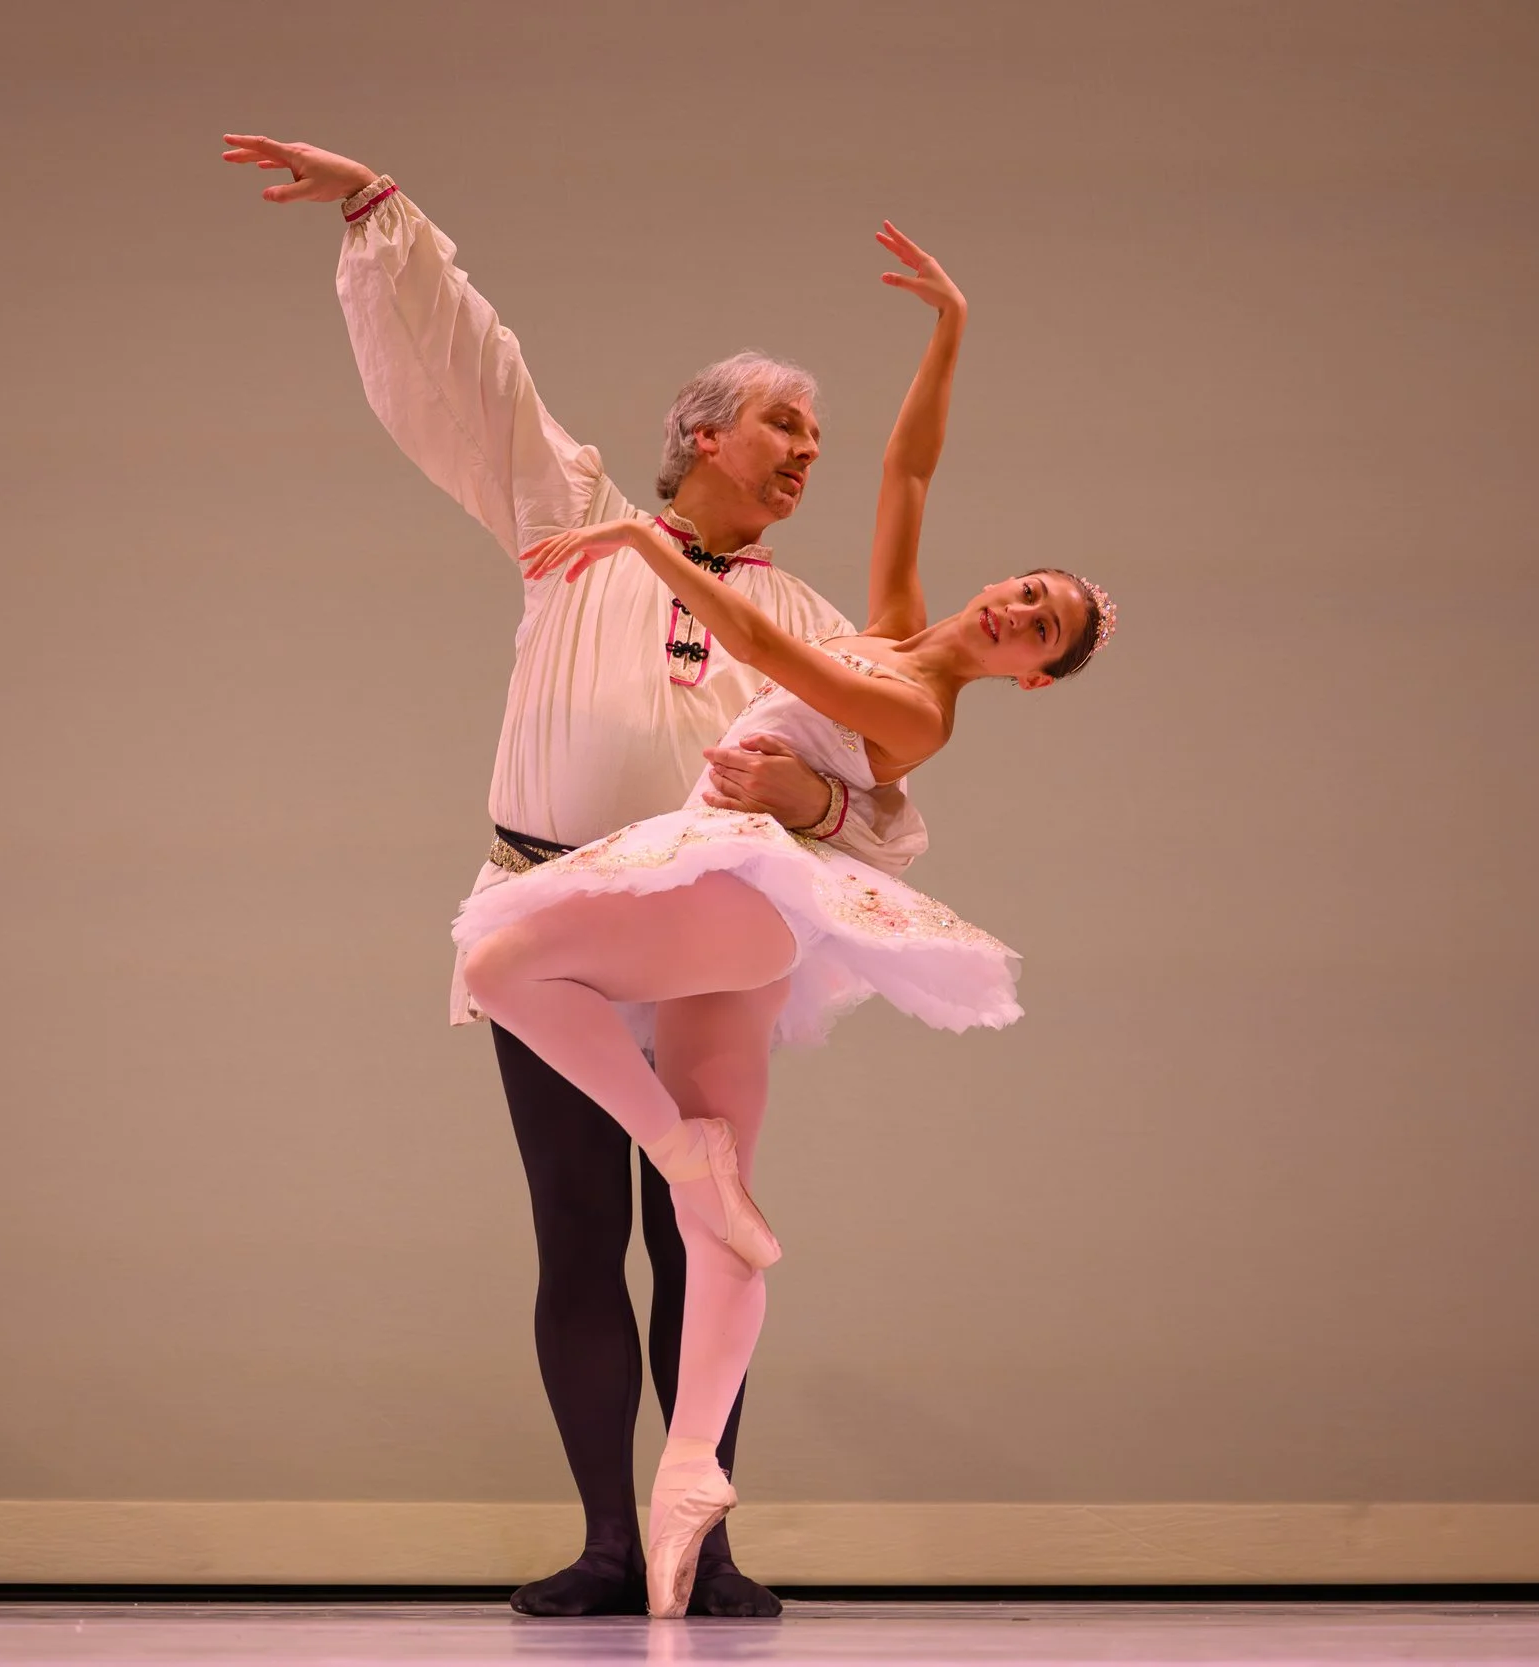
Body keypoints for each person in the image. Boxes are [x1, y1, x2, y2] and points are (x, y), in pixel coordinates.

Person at [225, 132, 927, 1617]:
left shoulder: (804, 616)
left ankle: (699, 1543)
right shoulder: (578, 523)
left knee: (706, 1234)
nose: (810, 452)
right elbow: (479, 376)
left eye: (820, 437)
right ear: (705, 433)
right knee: (577, 1230)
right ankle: (610, 1541)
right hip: (553, 927)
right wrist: (381, 212)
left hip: (709, 946)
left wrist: (811, 794)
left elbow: (878, 799)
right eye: (787, 425)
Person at [453, 226, 1118, 1616]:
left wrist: (639, 542)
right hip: (715, 894)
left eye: (1039, 628)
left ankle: (701, 1484)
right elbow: (910, 470)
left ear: (1031, 677)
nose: (1016, 607)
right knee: (679, 1221)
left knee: (511, 970)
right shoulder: (897, 622)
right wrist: (951, 328)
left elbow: (760, 651)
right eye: (1027, 587)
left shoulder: (917, 703)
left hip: (734, 903)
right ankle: (656, 1516)